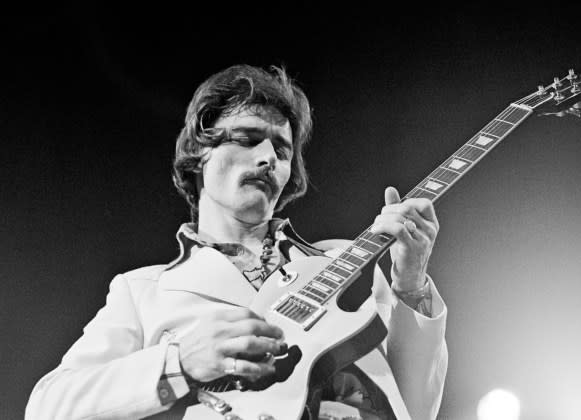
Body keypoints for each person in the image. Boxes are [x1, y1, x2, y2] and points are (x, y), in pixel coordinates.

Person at [25, 64, 448, 420]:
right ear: (199, 153)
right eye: (247, 139)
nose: (268, 158)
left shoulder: (340, 263)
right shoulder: (143, 291)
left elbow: (413, 406)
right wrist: (180, 364)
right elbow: (47, 406)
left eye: (282, 150)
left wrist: (409, 284)